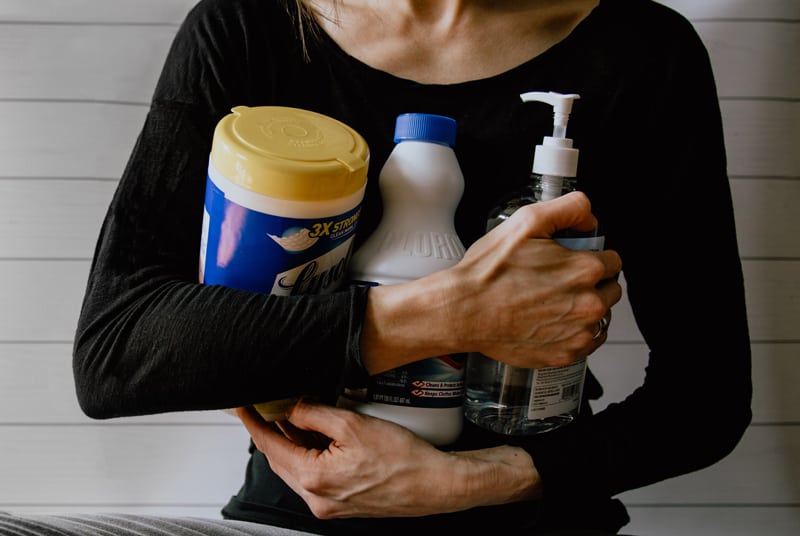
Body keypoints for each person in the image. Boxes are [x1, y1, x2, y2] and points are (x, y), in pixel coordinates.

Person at [0, 0, 752, 535]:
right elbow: (118, 354)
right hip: (301, 512)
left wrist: (474, 483)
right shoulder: (250, 26)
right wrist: (453, 313)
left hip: (538, 516)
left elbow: (707, 399)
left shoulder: (644, 51)